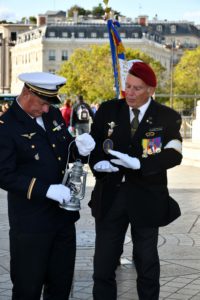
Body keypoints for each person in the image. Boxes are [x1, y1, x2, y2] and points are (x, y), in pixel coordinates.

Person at [89, 61, 182, 300]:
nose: (129, 93)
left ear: (150, 89)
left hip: (146, 198)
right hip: (111, 197)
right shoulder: (109, 110)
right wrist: (97, 163)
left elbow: (174, 153)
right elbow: (93, 143)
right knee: (103, 264)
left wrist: (142, 164)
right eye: (127, 87)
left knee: (147, 264)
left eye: (136, 88)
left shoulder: (167, 117)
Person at [0, 71, 95, 300]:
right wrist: (46, 190)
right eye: (43, 103)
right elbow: (4, 174)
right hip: (31, 224)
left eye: (48, 104)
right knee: (28, 289)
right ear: (26, 93)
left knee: (60, 287)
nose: (46, 109)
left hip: (62, 220)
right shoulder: (7, 125)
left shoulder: (52, 115)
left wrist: (78, 149)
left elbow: (61, 152)